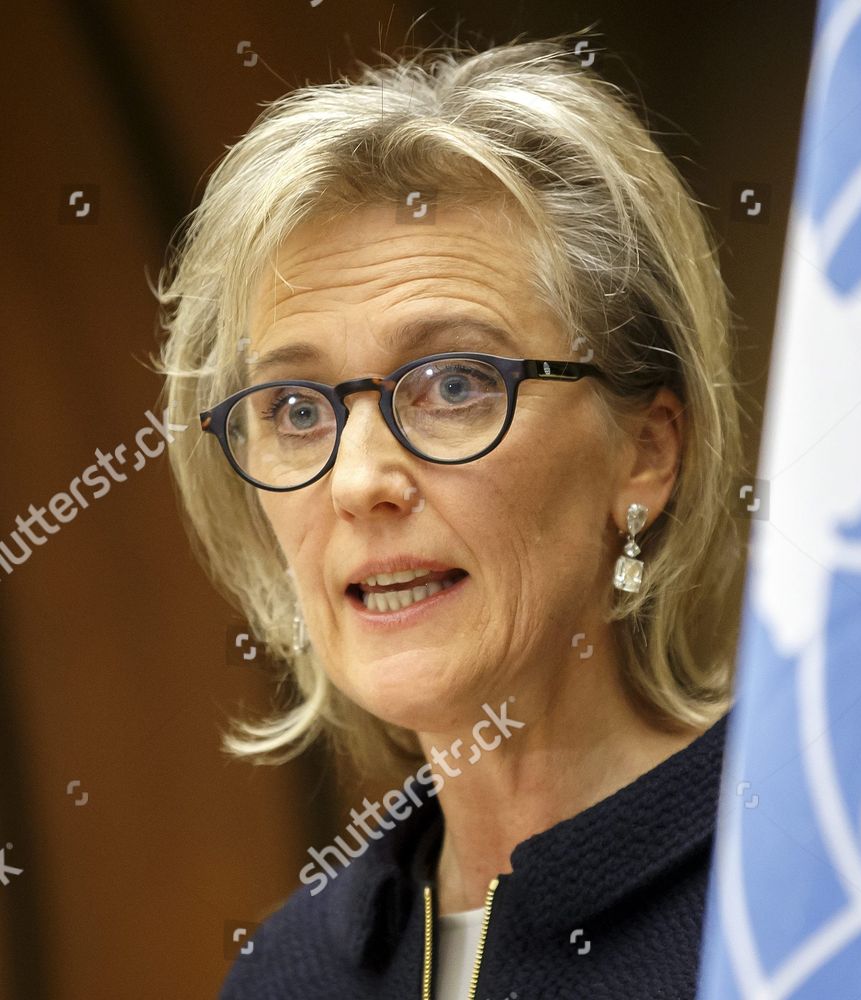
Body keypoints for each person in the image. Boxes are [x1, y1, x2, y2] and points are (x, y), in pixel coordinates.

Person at [153, 39, 748, 999]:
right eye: (296, 410)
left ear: (647, 451)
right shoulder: (290, 975)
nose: (357, 481)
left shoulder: (810, 899)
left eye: (454, 383)